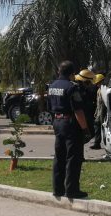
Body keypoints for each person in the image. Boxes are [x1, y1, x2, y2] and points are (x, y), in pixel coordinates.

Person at [47, 61, 92, 199]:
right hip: (70, 123)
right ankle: (72, 190)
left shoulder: (52, 86)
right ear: (72, 74)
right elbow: (78, 110)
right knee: (73, 157)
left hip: (57, 122)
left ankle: (57, 189)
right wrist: (85, 129)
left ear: (59, 71)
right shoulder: (72, 87)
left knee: (59, 156)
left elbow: (49, 107)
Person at [75, 69, 97, 139]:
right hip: (84, 115)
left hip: (86, 115)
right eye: (89, 82)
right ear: (86, 82)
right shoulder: (78, 90)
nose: (91, 84)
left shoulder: (85, 90)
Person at [90, 74, 105, 149]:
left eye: (98, 83)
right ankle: (97, 143)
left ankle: (99, 143)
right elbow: (98, 104)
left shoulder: (105, 90)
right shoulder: (99, 90)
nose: (97, 85)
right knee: (97, 127)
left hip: (104, 113)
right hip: (99, 113)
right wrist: (96, 113)